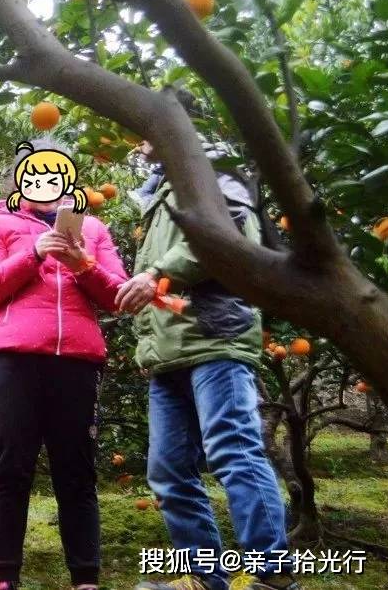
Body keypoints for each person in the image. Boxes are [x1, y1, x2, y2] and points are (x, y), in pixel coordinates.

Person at [119, 141, 297, 590]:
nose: (138, 144)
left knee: (232, 451)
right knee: (167, 470)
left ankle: (272, 576)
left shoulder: (214, 173)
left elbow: (228, 238)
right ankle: (203, 577)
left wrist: (156, 272)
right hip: (171, 350)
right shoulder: (160, 191)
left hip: (216, 337)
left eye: (144, 131)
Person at [0, 138, 128, 590]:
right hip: (12, 361)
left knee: (76, 471)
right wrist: (34, 252)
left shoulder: (93, 229)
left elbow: (116, 295)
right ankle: (5, 576)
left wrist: (83, 265)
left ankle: (85, 578)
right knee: (9, 468)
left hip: (77, 361)